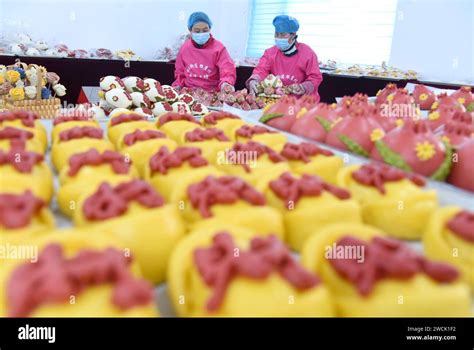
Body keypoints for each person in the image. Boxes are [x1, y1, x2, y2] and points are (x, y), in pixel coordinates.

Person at [246, 15, 323, 101]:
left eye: (283, 35)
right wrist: (254, 80)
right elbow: (261, 70)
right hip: (277, 101)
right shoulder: (270, 53)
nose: (278, 38)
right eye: (276, 34)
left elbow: (315, 77)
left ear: (293, 35)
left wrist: (304, 87)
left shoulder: (307, 53)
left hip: (303, 103)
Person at [173, 11, 236, 93]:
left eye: (205, 30)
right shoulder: (185, 48)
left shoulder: (219, 48)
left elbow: (227, 68)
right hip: (189, 93)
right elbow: (179, 71)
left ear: (210, 29)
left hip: (212, 94)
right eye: (197, 31)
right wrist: (178, 85)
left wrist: (226, 83)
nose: (201, 34)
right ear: (190, 30)